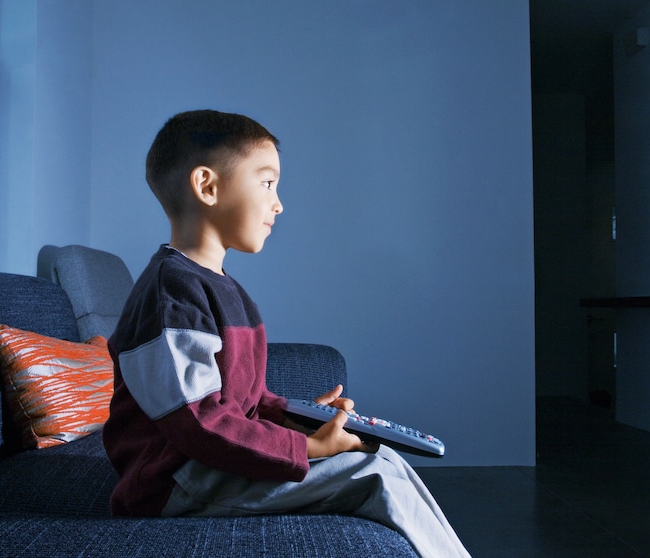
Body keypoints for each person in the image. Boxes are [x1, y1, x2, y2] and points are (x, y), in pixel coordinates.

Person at [102, 109, 470, 558]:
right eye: (267, 182)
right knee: (376, 475)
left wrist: (296, 418)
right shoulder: (171, 293)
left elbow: (243, 401)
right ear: (207, 186)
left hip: (206, 465)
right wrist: (308, 446)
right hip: (176, 482)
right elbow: (198, 420)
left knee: (385, 460)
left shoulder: (225, 288)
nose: (279, 203)